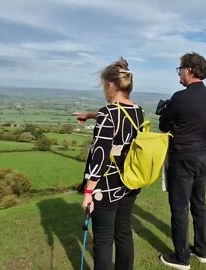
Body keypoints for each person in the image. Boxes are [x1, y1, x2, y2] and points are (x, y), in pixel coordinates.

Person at [80, 58, 143, 270]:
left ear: (110, 85)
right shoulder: (138, 111)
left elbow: (99, 155)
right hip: (130, 182)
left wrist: (89, 191)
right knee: (124, 232)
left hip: (106, 187)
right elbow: (118, 118)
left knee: (104, 240)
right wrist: (90, 115)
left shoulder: (108, 113)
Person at [158, 52, 206, 270]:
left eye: (180, 69)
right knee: (199, 204)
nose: (179, 73)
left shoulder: (180, 97)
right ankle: (202, 250)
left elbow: (164, 126)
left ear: (189, 70)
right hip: (204, 157)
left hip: (183, 159)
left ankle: (181, 258)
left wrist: (165, 109)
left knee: (180, 208)